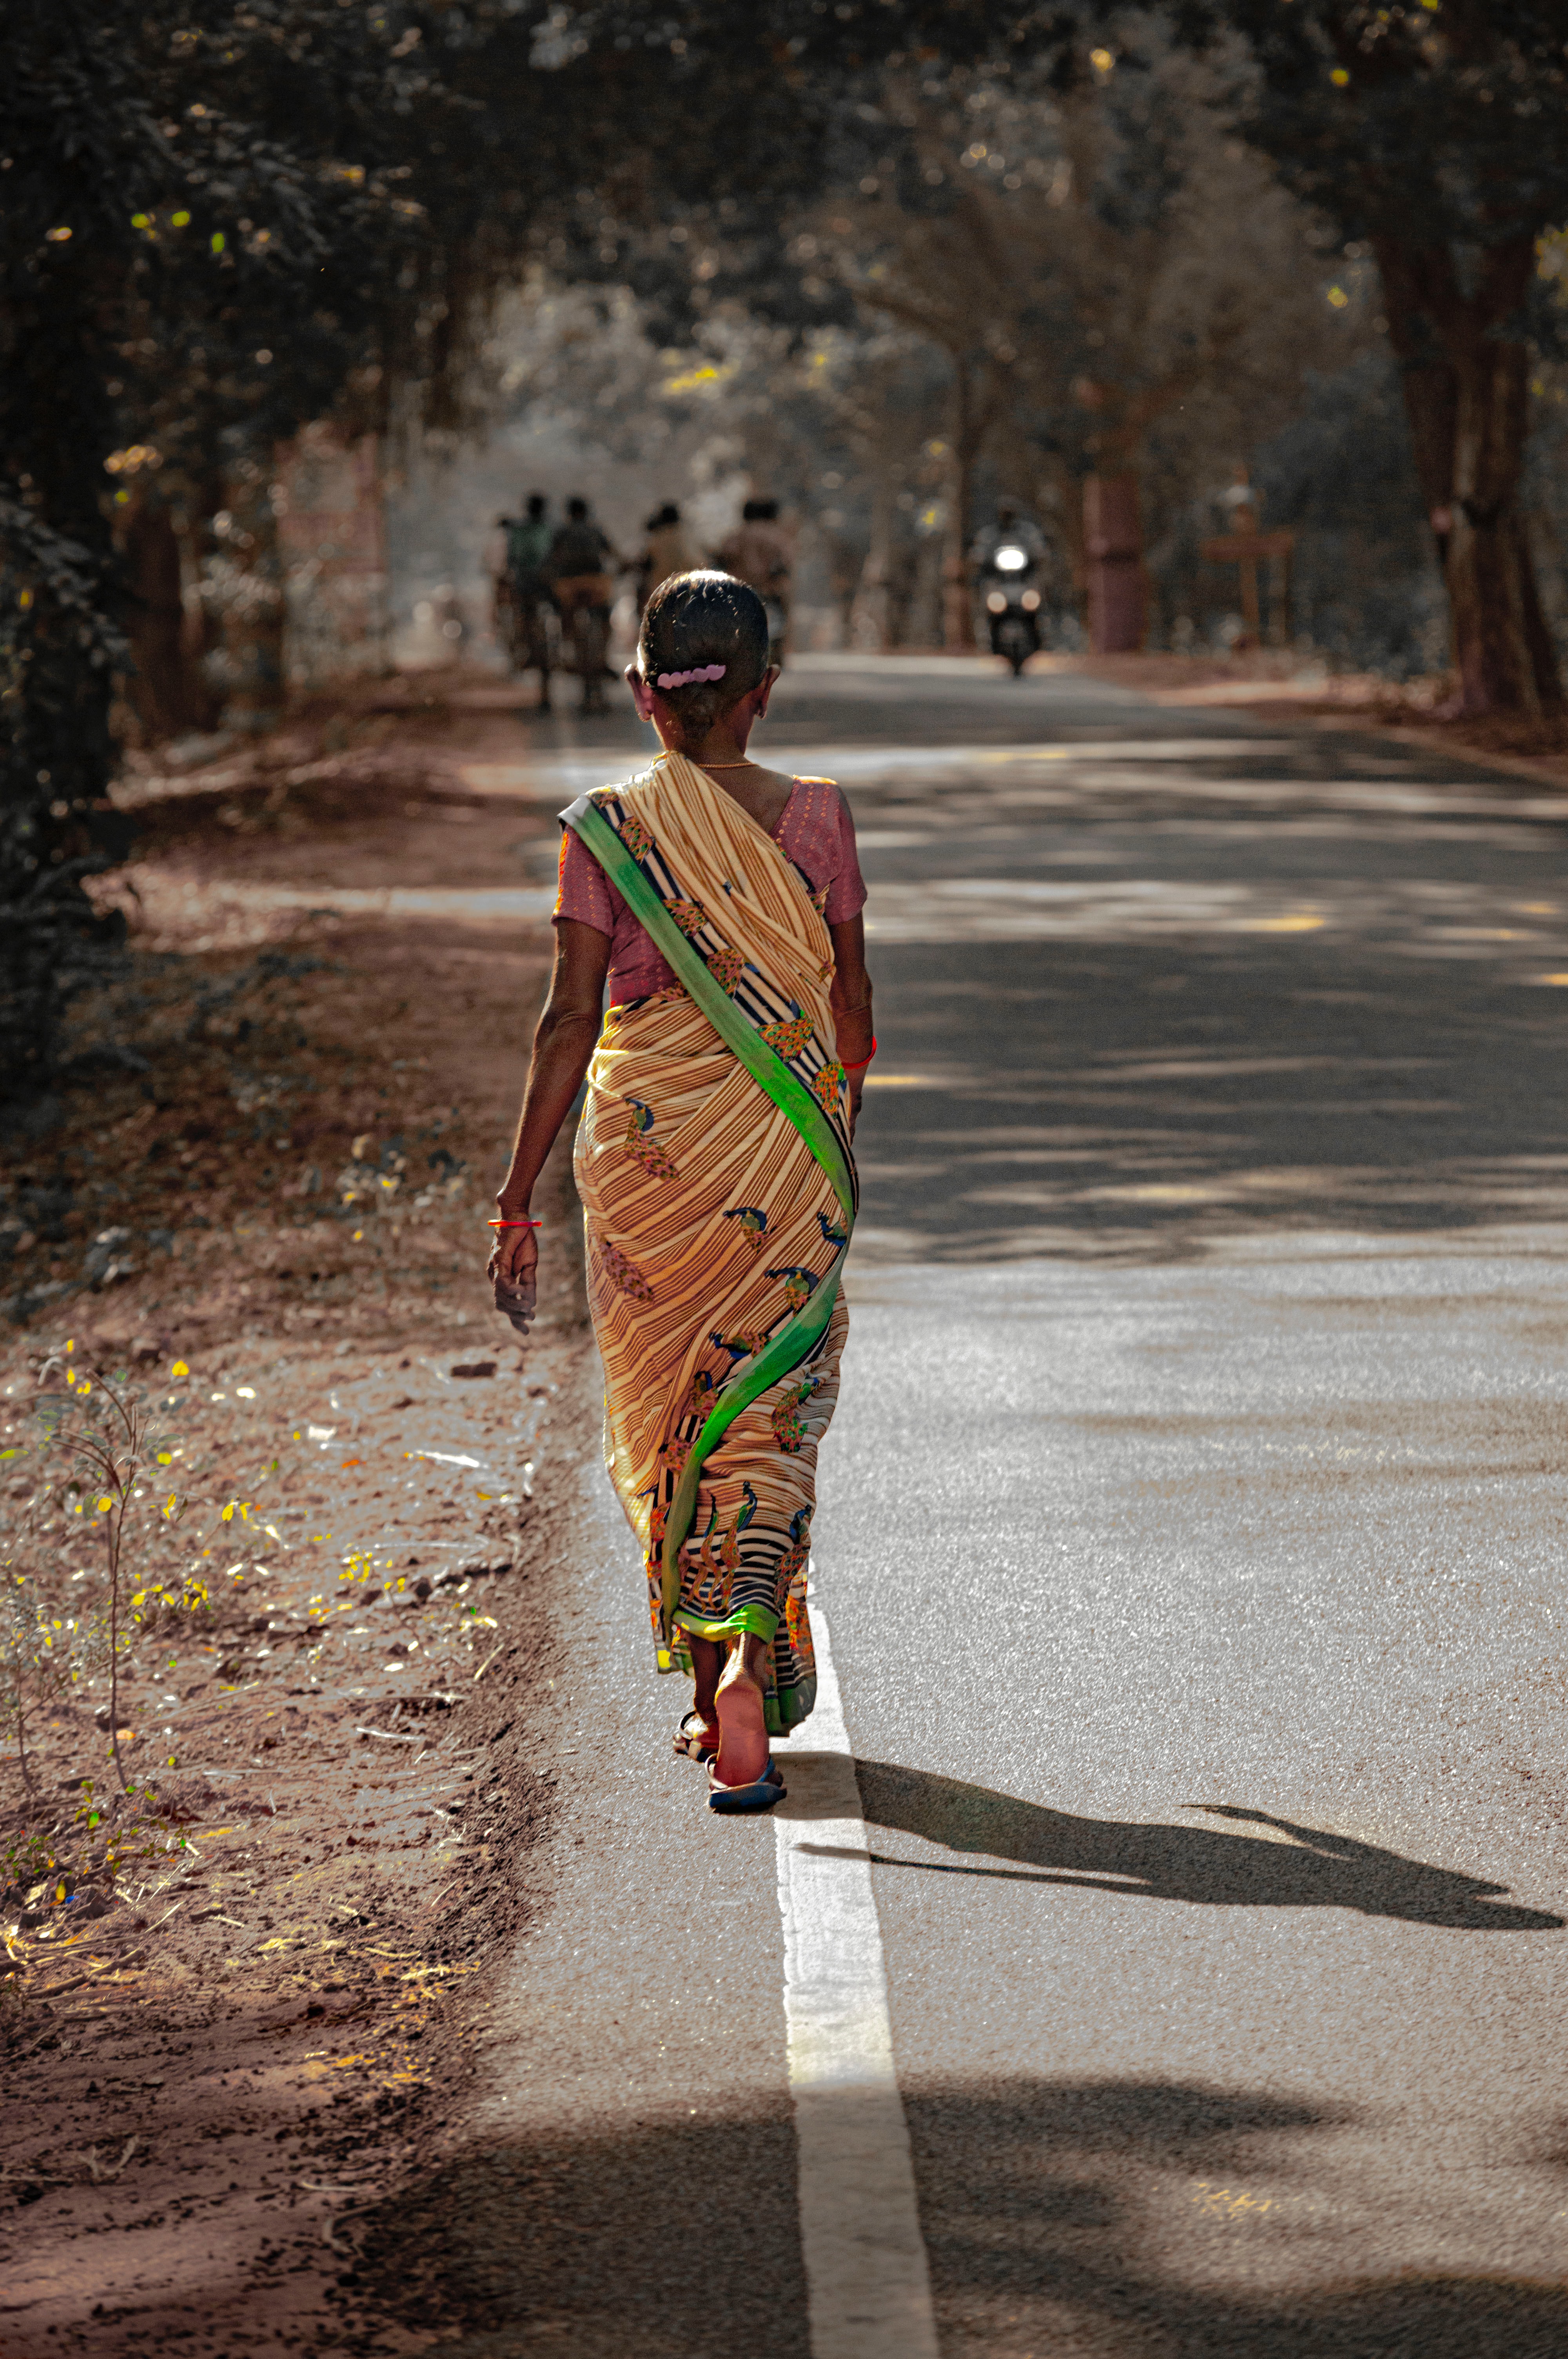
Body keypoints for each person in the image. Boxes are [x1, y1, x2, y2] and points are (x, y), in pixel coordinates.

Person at [488, 571, 875, 1812]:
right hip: (784, 1144)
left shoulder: (602, 826)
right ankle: (754, 1643)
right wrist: (826, 1108)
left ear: (642, 695)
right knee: (763, 1400)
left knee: (672, 1409)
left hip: (646, 1153)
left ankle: (715, 1692)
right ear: (765, 694)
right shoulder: (816, 817)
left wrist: (512, 1197)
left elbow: (565, 1021)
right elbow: (852, 1009)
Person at [548, 494, 621, 712]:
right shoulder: (596, 530)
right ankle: (604, 652)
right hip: (595, 585)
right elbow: (614, 555)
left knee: (568, 620)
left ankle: (569, 641)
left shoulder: (561, 532)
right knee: (604, 621)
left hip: (570, 587)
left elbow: (551, 559)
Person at [716, 498, 792, 665]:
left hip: (741, 590)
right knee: (780, 623)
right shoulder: (777, 536)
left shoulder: (738, 534)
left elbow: (723, 557)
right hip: (771, 589)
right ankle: (776, 658)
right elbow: (785, 563)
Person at [503, 492, 556, 709]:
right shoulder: (553, 530)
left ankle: (521, 652)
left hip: (524, 587)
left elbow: (511, 559)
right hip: (549, 588)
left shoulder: (517, 531)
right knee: (558, 621)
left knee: (521, 622)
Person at [635, 502, 696, 609]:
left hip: (666, 592)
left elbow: (644, 564)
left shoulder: (656, 539)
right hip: (696, 589)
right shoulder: (690, 536)